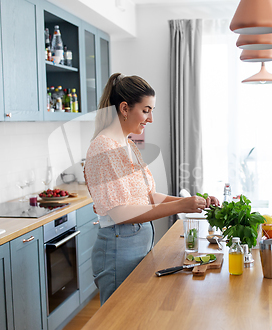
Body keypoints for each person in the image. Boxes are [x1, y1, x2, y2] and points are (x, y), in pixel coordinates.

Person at [84, 73, 219, 304]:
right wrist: (181, 205)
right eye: (146, 110)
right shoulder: (104, 147)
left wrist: (194, 201)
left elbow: (147, 196)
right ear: (125, 108)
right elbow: (121, 213)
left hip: (135, 244)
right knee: (117, 324)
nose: (151, 119)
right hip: (119, 248)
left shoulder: (126, 144)